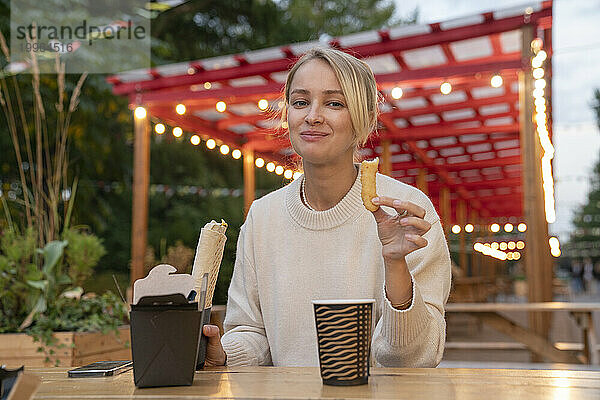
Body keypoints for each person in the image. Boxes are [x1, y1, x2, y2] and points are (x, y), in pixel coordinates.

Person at [201, 47, 451, 367]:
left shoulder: (406, 211)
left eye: (334, 103)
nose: (313, 116)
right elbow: (251, 330)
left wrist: (395, 265)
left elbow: (415, 358)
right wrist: (223, 355)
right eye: (300, 102)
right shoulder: (263, 217)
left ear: (364, 118)